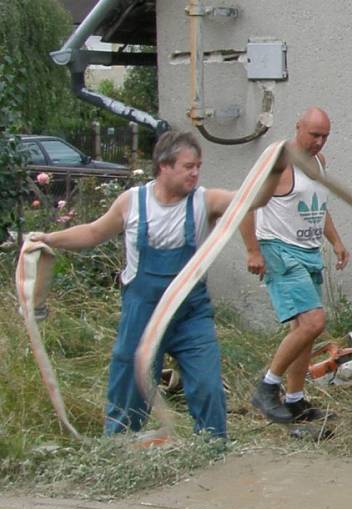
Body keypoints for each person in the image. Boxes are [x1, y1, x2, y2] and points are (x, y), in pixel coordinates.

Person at [30, 131, 253, 438]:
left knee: (207, 385)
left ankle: (213, 448)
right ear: (164, 165)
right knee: (129, 384)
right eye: (189, 166)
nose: (196, 172)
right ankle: (119, 448)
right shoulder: (133, 202)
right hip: (142, 314)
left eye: (198, 165)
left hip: (190, 315)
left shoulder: (205, 201)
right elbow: (94, 232)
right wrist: (50, 238)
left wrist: (275, 170)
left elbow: (248, 199)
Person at [239, 107, 350, 425]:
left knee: (305, 331)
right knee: (314, 322)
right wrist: (252, 251)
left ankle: (295, 399)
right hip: (279, 251)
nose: (319, 142)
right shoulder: (278, 162)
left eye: (325, 136)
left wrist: (336, 241)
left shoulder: (318, 163)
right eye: (314, 134)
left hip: (309, 251)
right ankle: (267, 388)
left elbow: (317, 206)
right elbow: (245, 205)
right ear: (298, 127)